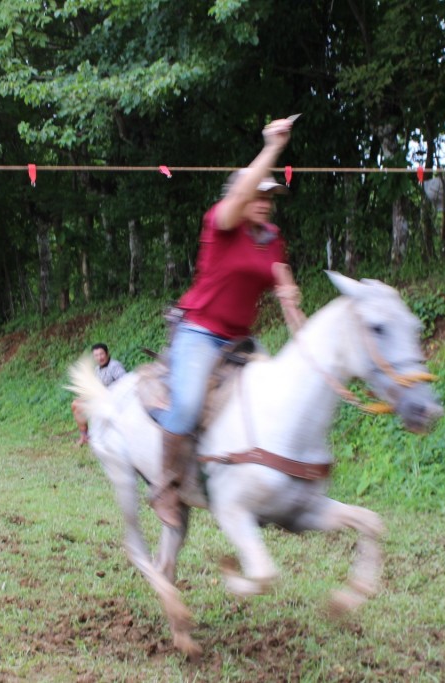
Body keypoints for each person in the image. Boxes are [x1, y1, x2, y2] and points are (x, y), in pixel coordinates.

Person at [149, 116, 302, 528]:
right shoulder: (221, 221)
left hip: (241, 340)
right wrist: (273, 146)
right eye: (259, 194)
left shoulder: (271, 239)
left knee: (281, 396)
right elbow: (238, 199)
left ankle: (271, 481)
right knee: (186, 408)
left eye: (271, 197)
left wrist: (299, 331)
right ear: (239, 194)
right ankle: (165, 485)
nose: (266, 202)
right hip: (200, 331)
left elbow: (286, 292)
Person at [72, 343, 126, 446]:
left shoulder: (114, 366)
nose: (99, 357)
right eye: (96, 355)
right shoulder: (97, 369)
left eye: (101, 354)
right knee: (76, 404)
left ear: (107, 353)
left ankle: (101, 436)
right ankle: (84, 436)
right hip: (100, 400)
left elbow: (125, 382)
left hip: (113, 401)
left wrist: (107, 393)